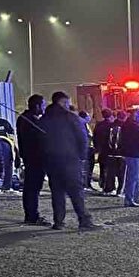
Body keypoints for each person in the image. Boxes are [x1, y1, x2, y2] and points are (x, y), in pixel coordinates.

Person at [40, 92, 98, 230]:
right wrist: (81, 157)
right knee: (76, 192)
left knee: (57, 192)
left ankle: (58, 221)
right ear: (61, 102)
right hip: (70, 160)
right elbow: (82, 139)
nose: (68, 105)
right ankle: (84, 220)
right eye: (66, 103)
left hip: (52, 161)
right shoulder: (71, 118)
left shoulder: (44, 120)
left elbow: (39, 142)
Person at [16, 94, 50, 225]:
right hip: (35, 159)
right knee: (33, 188)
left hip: (30, 158)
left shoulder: (24, 119)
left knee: (31, 187)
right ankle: (32, 216)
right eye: (43, 105)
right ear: (37, 106)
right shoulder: (30, 121)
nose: (44, 107)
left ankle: (31, 214)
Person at [119, 108, 139, 206]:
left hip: (131, 152)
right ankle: (129, 199)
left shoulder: (127, 124)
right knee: (132, 176)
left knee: (135, 176)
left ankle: (135, 196)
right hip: (133, 152)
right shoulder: (133, 125)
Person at [92, 108, 115, 193]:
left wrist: (97, 147)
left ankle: (102, 184)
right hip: (109, 150)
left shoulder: (99, 125)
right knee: (110, 169)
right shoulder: (111, 125)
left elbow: (95, 137)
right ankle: (109, 187)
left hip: (102, 151)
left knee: (102, 168)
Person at [77, 110, 96, 189]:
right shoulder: (81, 125)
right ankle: (85, 184)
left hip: (89, 148)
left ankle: (87, 183)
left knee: (89, 167)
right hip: (85, 148)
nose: (89, 118)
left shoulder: (86, 124)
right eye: (87, 116)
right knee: (85, 167)